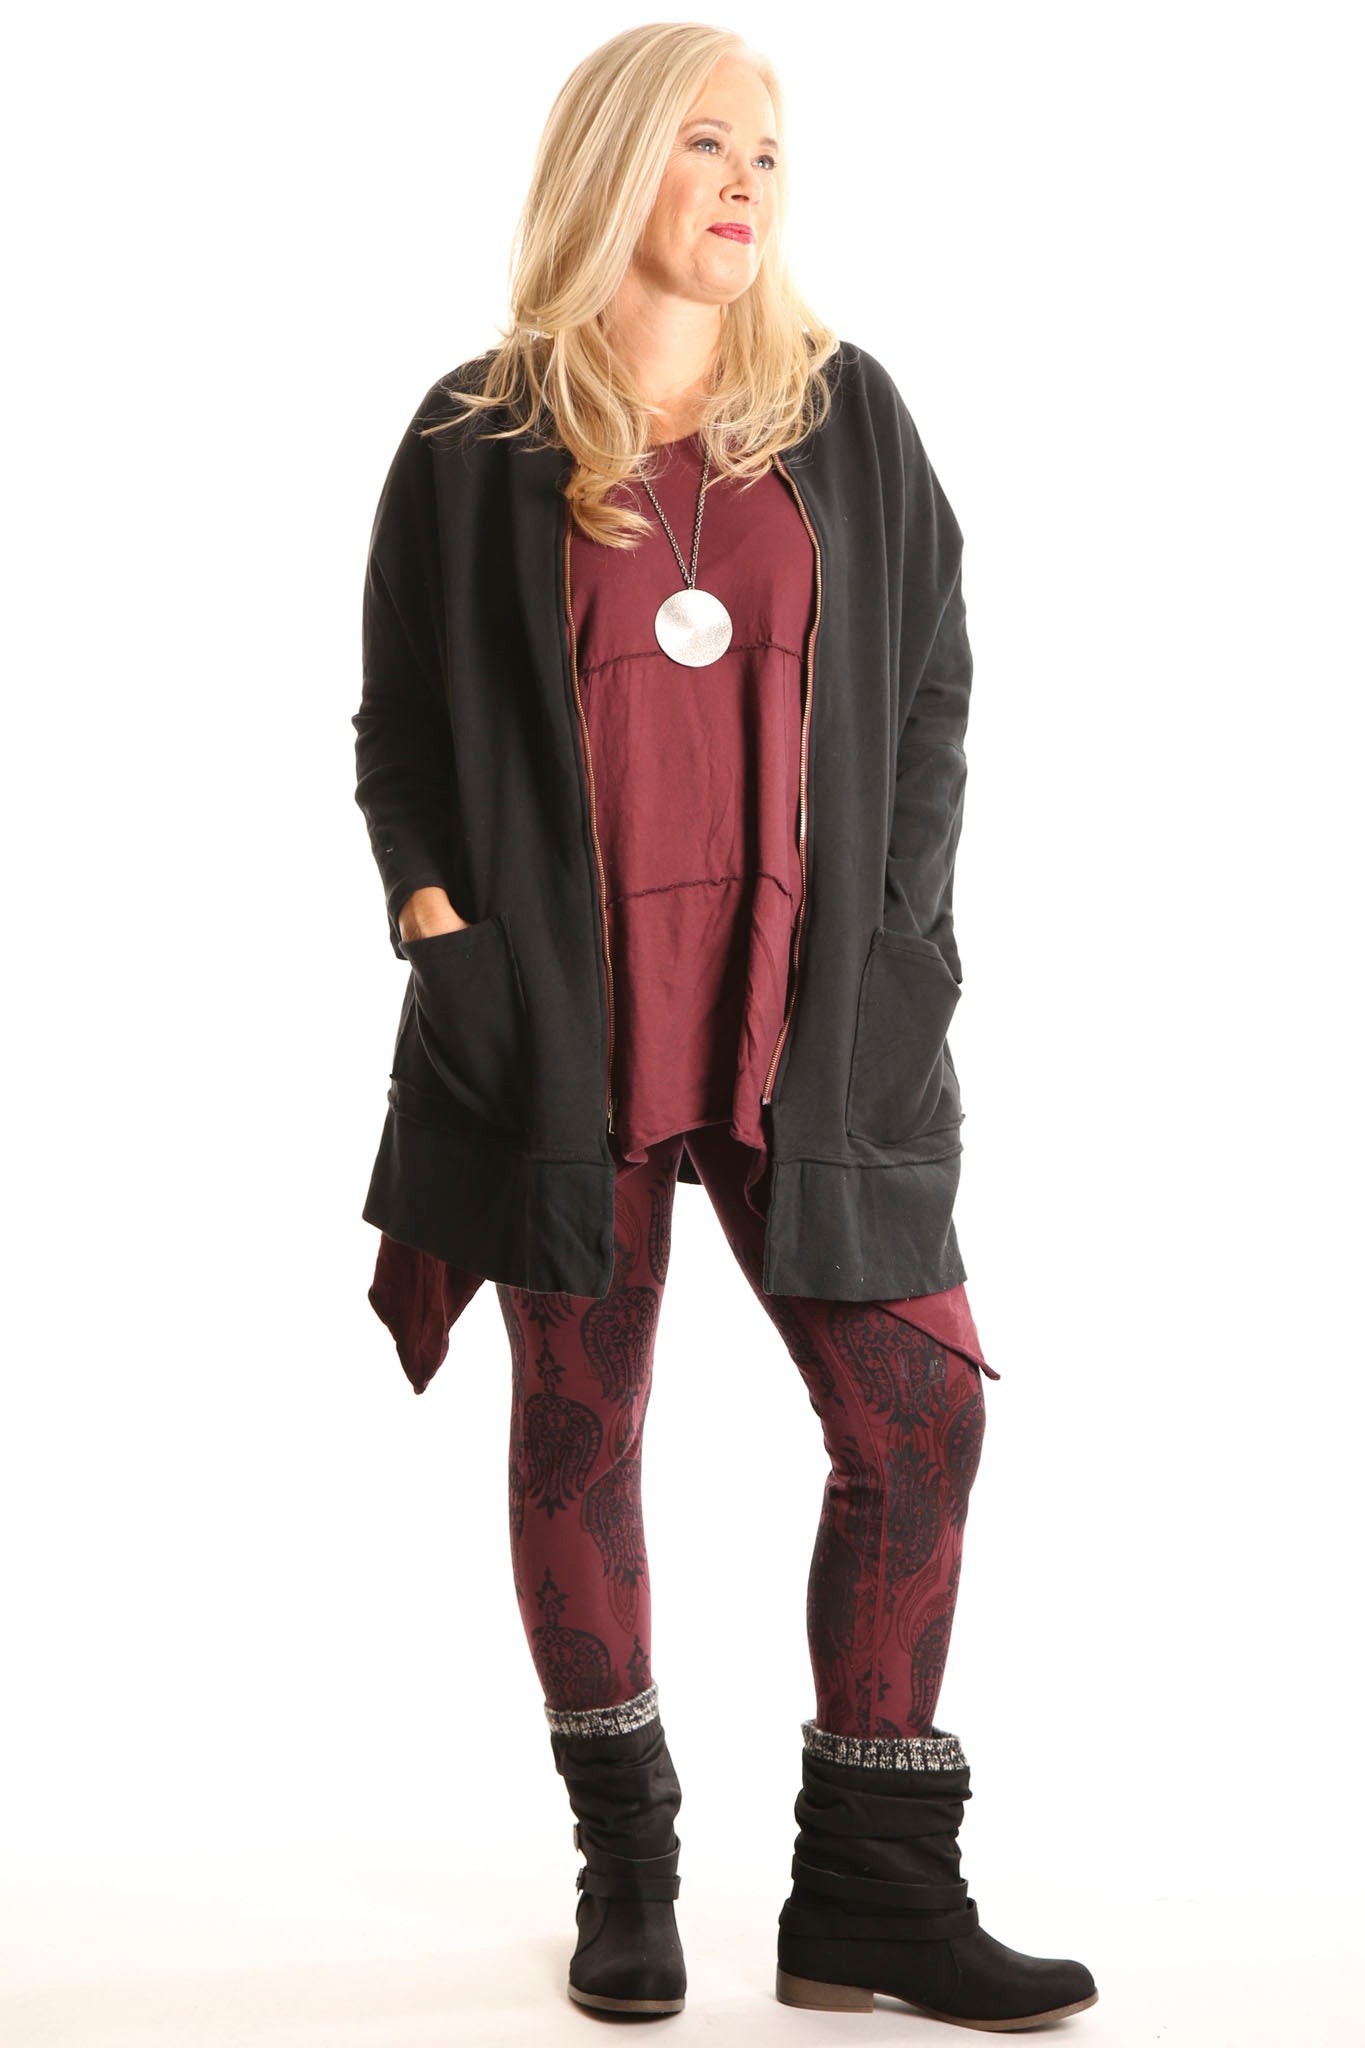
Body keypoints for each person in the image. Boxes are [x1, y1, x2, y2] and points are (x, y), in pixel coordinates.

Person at [351, 22, 1097, 2031]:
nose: (748, 175)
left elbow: (931, 686)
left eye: (767, 145)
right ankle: (628, 1867)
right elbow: (400, 721)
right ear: (613, 166)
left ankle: (869, 1890)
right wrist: (436, 920)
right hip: (560, 1026)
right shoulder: (474, 436)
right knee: (581, 1425)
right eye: (702, 140)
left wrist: (903, 934)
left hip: (803, 1013)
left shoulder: (845, 416)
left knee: (916, 1413)